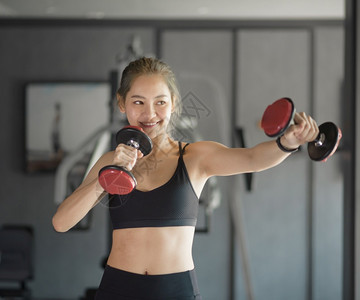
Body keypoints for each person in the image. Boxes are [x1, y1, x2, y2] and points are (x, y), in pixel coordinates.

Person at [52, 57, 319, 300]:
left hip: (176, 291)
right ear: (122, 103)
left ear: (174, 104)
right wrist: (107, 178)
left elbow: (252, 159)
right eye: (138, 102)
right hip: (117, 289)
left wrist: (288, 142)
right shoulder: (109, 161)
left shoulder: (195, 157)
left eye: (160, 102)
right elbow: (61, 222)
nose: (149, 114)